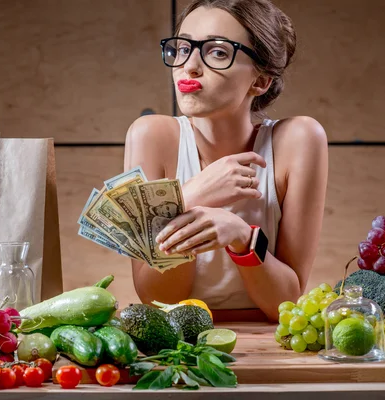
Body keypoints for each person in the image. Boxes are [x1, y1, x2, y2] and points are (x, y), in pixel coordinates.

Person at [123, 0, 328, 321]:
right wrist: (189, 199)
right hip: (181, 341)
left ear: (260, 81)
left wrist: (241, 236)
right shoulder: (152, 136)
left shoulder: (299, 139)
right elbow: (156, 297)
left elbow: (284, 302)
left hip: (269, 345)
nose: (188, 66)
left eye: (217, 52)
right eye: (183, 48)